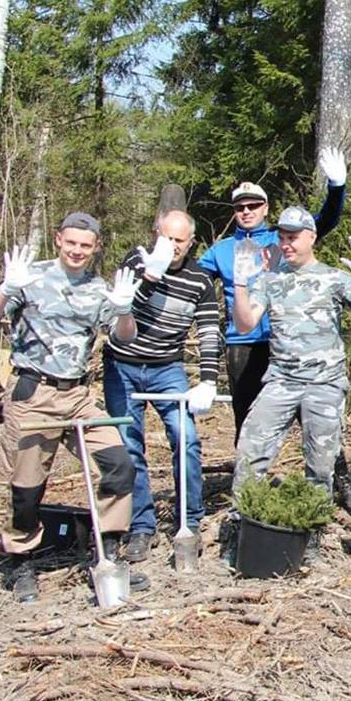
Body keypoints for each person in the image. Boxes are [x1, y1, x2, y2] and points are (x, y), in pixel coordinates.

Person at [0, 213, 143, 603]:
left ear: (96, 248)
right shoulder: (30, 277)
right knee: (27, 486)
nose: (77, 251)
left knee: (119, 464)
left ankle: (109, 552)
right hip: (33, 392)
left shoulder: (98, 288)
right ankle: (20, 561)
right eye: (72, 243)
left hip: (78, 396)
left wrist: (123, 310)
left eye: (86, 245)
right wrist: (6, 288)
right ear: (58, 240)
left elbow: (124, 338)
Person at [227, 208, 351, 561]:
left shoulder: (334, 278)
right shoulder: (269, 280)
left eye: (293, 237)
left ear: (311, 237)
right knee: (250, 449)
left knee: (321, 462)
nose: (286, 244)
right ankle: (242, 527)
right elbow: (245, 324)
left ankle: (312, 533)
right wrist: (239, 283)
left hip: (324, 383)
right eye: (282, 238)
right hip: (281, 381)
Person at [199, 147, 348, 441]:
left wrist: (337, 187)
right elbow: (194, 281)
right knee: (246, 418)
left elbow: (324, 221)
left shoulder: (281, 240)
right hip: (243, 344)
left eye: (253, 205)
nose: (246, 211)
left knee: (313, 418)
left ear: (265, 208)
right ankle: (248, 471)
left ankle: (331, 467)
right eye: (240, 207)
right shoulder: (220, 250)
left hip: (287, 341)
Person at [104, 210, 223, 562]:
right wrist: (150, 278)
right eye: (166, 238)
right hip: (122, 365)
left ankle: (190, 520)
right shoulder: (136, 261)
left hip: (166, 367)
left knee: (186, 438)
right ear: (156, 233)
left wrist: (208, 380)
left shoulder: (199, 281)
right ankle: (142, 526)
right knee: (129, 445)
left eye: (179, 241)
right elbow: (124, 314)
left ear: (191, 243)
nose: (172, 246)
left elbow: (208, 331)